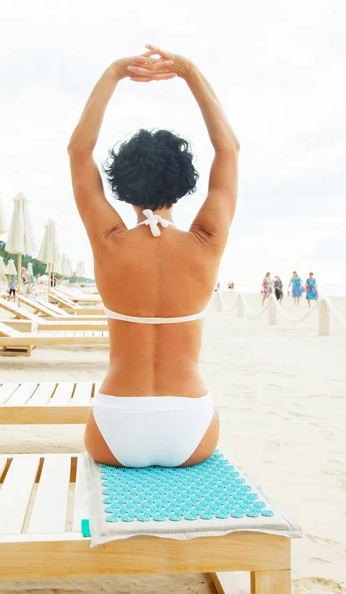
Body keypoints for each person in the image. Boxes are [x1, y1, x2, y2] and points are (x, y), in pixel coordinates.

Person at [68, 44, 239, 468]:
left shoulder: (109, 240)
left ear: (121, 185)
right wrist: (190, 72)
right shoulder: (206, 238)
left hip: (115, 426)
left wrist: (114, 72)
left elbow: (78, 151)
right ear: (184, 185)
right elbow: (229, 150)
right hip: (191, 426)